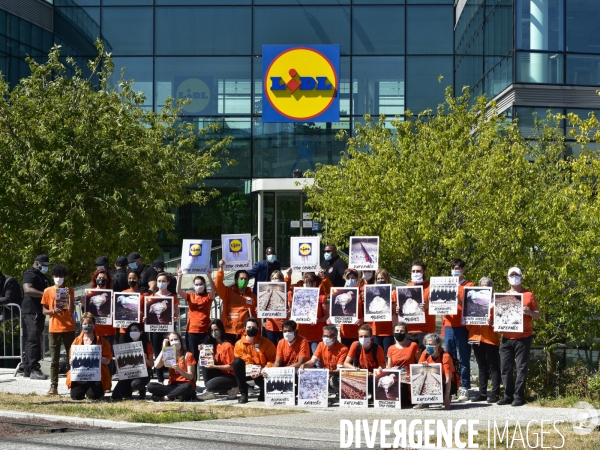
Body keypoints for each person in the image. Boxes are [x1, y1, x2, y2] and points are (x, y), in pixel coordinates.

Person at [498, 267, 540, 407]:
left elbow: (538, 315)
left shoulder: (529, 294)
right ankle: (507, 395)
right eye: (512, 275)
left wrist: (529, 312)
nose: (514, 277)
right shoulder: (502, 296)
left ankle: (518, 397)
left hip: (523, 337)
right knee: (505, 368)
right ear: (507, 278)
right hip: (506, 338)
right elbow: (499, 317)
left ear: (522, 277)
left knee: (521, 368)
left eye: (517, 275)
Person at [443, 258, 475, 402]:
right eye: (453, 268)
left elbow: (473, 306)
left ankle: (465, 387)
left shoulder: (469, 285)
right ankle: (452, 388)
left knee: (464, 358)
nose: (456, 270)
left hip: (462, 326)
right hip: (448, 326)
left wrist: (459, 301)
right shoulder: (444, 284)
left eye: (458, 268)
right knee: (449, 358)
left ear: (463, 269)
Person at [41, 264, 75, 395]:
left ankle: (73, 383)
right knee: (54, 359)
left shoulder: (69, 290)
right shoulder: (48, 291)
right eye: (56, 276)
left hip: (69, 327)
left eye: (61, 276)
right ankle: (53, 386)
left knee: (71, 358)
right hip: (54, 328)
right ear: (53, 276)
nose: (59, 279)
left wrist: (70, 296)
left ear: (64, 277)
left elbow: (71, 311)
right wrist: (53, 311)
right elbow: (44, 310)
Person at [467, 277, 501, 403]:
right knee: (482, 366)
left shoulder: (496, 303)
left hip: (490, 338)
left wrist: (493, 323)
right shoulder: (473, 301)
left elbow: (503, 322)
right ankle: (482, 393)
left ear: (492, 288)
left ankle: (495, 393)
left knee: (494, 366)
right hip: (475, 336)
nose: (484, 288)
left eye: (487, 286)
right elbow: (467, 321)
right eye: (481, 286)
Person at [66, 312, 112, 400]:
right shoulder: (76, 341)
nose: (87, 326)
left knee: (93, 396)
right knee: (75, 396)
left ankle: (94, 391)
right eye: (85, 324)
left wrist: (99, 359)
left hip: (96, 377)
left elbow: (108, 360)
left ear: (94, 325)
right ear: (81, 325)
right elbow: (71, 357)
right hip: (80, 376)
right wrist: (71, 360)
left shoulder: (102, 341)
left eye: (90, 324)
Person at [232, 317, 277, 403]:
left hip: (262, 372)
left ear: (258, 329)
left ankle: (263, 392)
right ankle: (244, 394)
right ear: (244, 328)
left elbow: (273, 358)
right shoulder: (238, 344)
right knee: (236, 362)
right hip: (247, 371)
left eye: (254, 327)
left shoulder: (266, 343)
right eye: (249, 327)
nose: (251, 329)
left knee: (262, 397)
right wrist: (252, 370)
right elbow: (242, 358)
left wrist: (266, 368)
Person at [176, 266, 214, 364]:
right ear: (193, 285)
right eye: (196, 284)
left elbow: (214, 290)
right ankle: (192, 379)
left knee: (206, 360)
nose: (199, 286)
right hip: (192, 331)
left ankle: (207, 379)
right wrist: (180, 276)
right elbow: (178, 291)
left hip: (205, 331)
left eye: (201, 284)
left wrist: (209, 276)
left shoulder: (208, 296)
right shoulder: (190, 295)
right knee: (193, 359)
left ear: (205, 285)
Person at [21, 254, 51, 380]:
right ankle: (34, 368)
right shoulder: (30, 274)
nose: (45, 268)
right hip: (31, 310)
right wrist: (46, 294)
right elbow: (28, 289)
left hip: (39, 311)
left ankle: (27, 367)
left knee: (33, 338)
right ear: (37, 263)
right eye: (44, 265)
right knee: (33, 338)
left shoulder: (42, 276)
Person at [300, 325, 348, 401]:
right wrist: (304, 365)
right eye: (324, 335)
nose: (325, 338)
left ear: (334, 337)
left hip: (336, 375)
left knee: (334, 381)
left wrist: (330, 373)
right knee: (308, 372)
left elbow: (340, 370)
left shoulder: (343, 349)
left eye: (327, 336)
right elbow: (313, 361)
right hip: (325, 373)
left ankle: (340, 393)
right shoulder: (321, 344)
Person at [214, 259, 257, 344]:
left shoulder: (252, 296)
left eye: (245, 279)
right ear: (236, 280)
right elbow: (218, 286)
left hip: (244, 332)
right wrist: (221, 269)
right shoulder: (228, 292)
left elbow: (255, 315)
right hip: (228, 330)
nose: (243, 281)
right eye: (241, 278)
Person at [149, 272, 179, 384]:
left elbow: (176, 314)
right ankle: (160, 380)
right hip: (155, 330)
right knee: (158, 353)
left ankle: (172, 378)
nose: (161, 283)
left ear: (168, 282)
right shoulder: (152, 297)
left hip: (168, 329)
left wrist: (174, 318)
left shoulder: (173, 297)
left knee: (169, 353)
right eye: (159, 281)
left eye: (163, 281)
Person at [148, 331, 197, 401]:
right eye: (171, 340)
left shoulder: (188, 355)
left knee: (187, 386)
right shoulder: (168, 354)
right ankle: (176, 396)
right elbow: (156, 365)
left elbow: (190, 376)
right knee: (150, 386)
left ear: (180, 340)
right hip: (172, 385)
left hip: (185, 384)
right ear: (169, 342)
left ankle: (165, 398)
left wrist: (179, 370)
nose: (174, 342)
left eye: (176, 339)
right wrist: (164, 348)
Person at [197, 319, 237, 401]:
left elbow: (232, 367)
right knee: (204, 364)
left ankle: (235, 387)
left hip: (231, 375)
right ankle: (209, 392)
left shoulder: (227, 346)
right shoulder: (212, 345)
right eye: (212, 330)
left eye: (216, 329)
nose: (214, 332)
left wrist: (214, 366)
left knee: (210, 385)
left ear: (221, 330)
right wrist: (202, 349)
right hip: (221, 372)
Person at [112, 323, 153, 400]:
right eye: (131, 330)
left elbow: (151, 364)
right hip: (128, 374)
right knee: (116, 396)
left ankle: (141, 390)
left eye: (135, 330)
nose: (133, 332)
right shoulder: (124, 345)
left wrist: (145, 359)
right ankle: (128, 390)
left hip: (142, 374)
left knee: (136, 384)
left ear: (141, 332)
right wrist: (118, 364)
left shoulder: (146, 344)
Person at [415, 333, 457, 410]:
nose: (428, 346)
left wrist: (446, 396)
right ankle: (424, 401)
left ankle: (445, 397)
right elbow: (418, 372)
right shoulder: (425, 353)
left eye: (431, 344)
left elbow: (448, 379)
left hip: (447, 383)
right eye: (427, 344)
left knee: (441, 382)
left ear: (437, 345)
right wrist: (423, 367)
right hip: (431, 380)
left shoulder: (445, 356)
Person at [343, 324, 384, 399]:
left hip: (372, 377)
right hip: (360, 375)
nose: (363, 338)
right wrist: (355, 369)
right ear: (358, 336)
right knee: (337, 381)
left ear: (371, 337)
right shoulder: (355, 345)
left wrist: (375, 372)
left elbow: (382, 367)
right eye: (361, 336)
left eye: (366, 336)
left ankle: (369, 394)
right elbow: (346, 363)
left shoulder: (378, 348)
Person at [89, 269, 116, 379]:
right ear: (95, 279)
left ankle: (107, 380)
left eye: (104, 279)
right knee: (94, 355)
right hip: (95, 330)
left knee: (107, 356)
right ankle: (94, 379)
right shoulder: (90, 294)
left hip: (109, 330)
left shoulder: (112, 295)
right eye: (99, 278)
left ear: (107, 280)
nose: (101, 280)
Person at [295, 272, 330, 358]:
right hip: (302, 334)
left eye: (307, 283)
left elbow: (326, 316)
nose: (304, 285)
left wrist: (317, 320)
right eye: (304, 283)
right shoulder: (299, 295)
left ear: (314, 284)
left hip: (316, 335)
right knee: (304, 359)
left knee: (316, 359)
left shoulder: (321, 297)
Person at [386, 321, 420, 407]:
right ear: (393, 332)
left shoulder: (413, 345)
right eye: (397, 331)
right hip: (396, 380)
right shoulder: (391, 348)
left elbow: (419, 363)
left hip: (410, 379)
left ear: (406, 332)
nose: (399, 333)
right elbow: (389, 367)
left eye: (402, 331)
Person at [367, 269, 397, 359]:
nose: (380, 280)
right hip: (376, 330)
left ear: (387, 279)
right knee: (377, 356)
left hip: (388, 331)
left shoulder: (393, 293)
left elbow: (395, 313)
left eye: (383, 278)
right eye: (378, 278)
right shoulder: (371, 292)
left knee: (387, 357)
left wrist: (391, 303)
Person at [404, 260, 433, 352]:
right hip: (409, 330)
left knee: (424, 360)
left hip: (426, 330)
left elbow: (440, 305)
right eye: (413, 271)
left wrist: (428, 305)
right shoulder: (408, 286)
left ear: (424, 272)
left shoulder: (431, 286)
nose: (415, 273)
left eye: (418, 271)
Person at [261, 269, 290, 346]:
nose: (275, 280)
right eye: (273, 278)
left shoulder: (287, 293)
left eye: (277, 278)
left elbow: (291, 309)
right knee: (272, 349)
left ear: (281, 280)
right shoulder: (265, 293)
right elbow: (262, 307)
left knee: (282, 349)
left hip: (283, 327)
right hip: (270, 327)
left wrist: (289, 312)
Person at [338, 268, 364, 348]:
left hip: (358, 332)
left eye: (353, 278)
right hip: (345, 332)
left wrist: (362, 320)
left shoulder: (362, 294)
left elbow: (367, 313)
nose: (350, 280)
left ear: (357, 279)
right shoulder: (338, 293)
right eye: (348, 278)